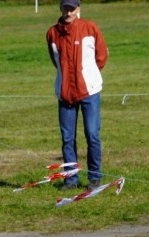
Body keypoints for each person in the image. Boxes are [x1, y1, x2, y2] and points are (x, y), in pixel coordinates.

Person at [46, 0, 108, 189]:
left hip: (89, 90)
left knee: (92, 134)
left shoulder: (90, 28)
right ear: (60, 8)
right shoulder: (52, 33)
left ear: (78, 9)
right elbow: (55, 60)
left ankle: (94, 178)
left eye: (72, 8)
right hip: (65, 93)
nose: (69, 12)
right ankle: (71, 179)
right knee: (67, 138)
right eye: (65, 8)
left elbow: (102, 55)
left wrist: (88, 75)